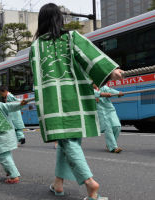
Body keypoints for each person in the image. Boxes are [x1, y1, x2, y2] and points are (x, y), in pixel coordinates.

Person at [29, 3, 123, 200]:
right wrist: (110, 72)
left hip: (52, 101)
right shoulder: (71, 37)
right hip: (75, 97)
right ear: (59, 19)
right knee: (68, 141)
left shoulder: (35, 47)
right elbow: (90, 57)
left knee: (67, 140)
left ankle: (90, 183)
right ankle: (58, 184)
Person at [93, 84, 123, 153]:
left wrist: (118, 93)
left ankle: (110, 144)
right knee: (108, 128)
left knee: (117, 127)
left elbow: (110, 91)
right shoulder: (88, 89)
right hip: (100, 112)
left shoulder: (103, 87)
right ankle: (113, 147)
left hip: (110, 109)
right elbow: (96, 94)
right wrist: (104, 94)